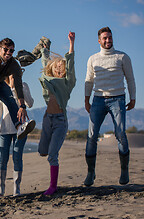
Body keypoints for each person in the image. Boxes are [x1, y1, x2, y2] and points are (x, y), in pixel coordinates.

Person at [84, 27, 136, 186]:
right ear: (99, 41)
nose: (108, 40)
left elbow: (130, 79)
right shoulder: (93, 59)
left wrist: (132, 98)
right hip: (98, 99)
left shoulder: (122, 57)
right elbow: (89, 80)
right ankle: (90, 173)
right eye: (105, 38)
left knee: (120, 133)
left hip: (118, 99)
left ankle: (124, 171)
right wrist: (86, 100)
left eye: (110, 37)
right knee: (92, 135)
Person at [38, 32, 76, 195]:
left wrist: (71, 44)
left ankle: (53, 186)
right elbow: (46, 62)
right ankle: (49, 153)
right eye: (57, 66)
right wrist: (45, 50)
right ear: (52, 69)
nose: (60, 68)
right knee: (42, 151)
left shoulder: (67, 84)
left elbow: (70, 66)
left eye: (62, 66)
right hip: (47, 119)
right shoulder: (47, 80)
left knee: (52, 155)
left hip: (60, 121)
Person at [0, 74, 34, 197]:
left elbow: (30, 103)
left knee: (17, 157)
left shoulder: (24, 86)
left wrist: (19, 89)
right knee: (3, 158)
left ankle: (17, 188)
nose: (14, 75)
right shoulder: (1, 88)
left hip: (21, 129)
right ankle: (1, 188)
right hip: (4, 129)